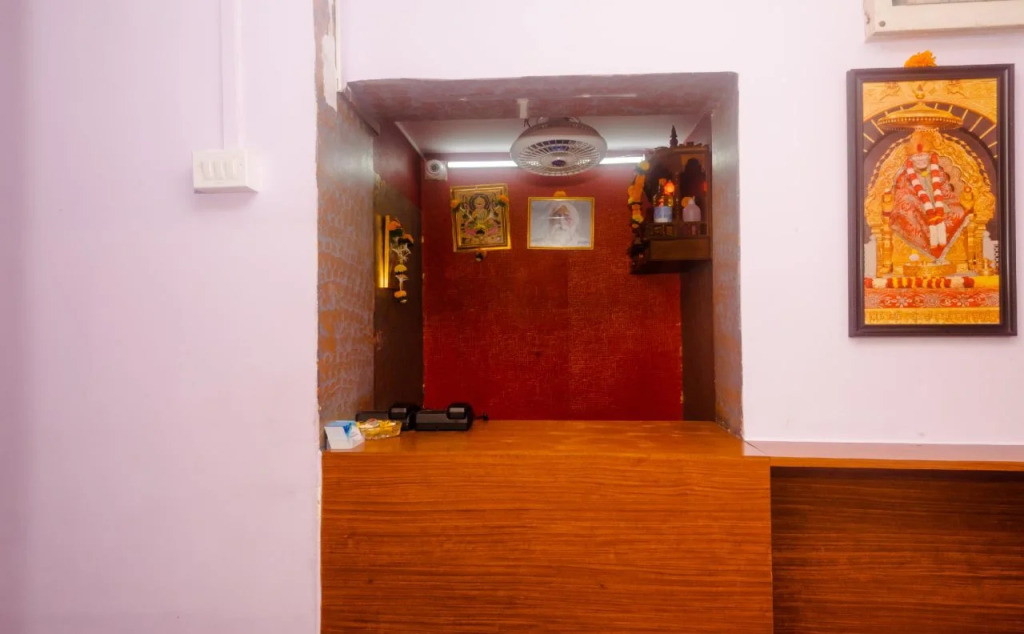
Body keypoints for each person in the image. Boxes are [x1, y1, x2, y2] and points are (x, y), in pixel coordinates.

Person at [887, 130, 969, 261]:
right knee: (908, 211)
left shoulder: (938, 171)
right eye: (917, 158)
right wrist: (920, 204)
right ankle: (923, 253)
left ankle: (952, 255)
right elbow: (902, 195)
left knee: (958, 211)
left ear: (929, 157)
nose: (920, 161)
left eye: (923, 157)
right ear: (911, 160)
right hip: (917, 206)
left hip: (940, 205)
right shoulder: (905, 175)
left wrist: (941, 204)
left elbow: (946, 190)